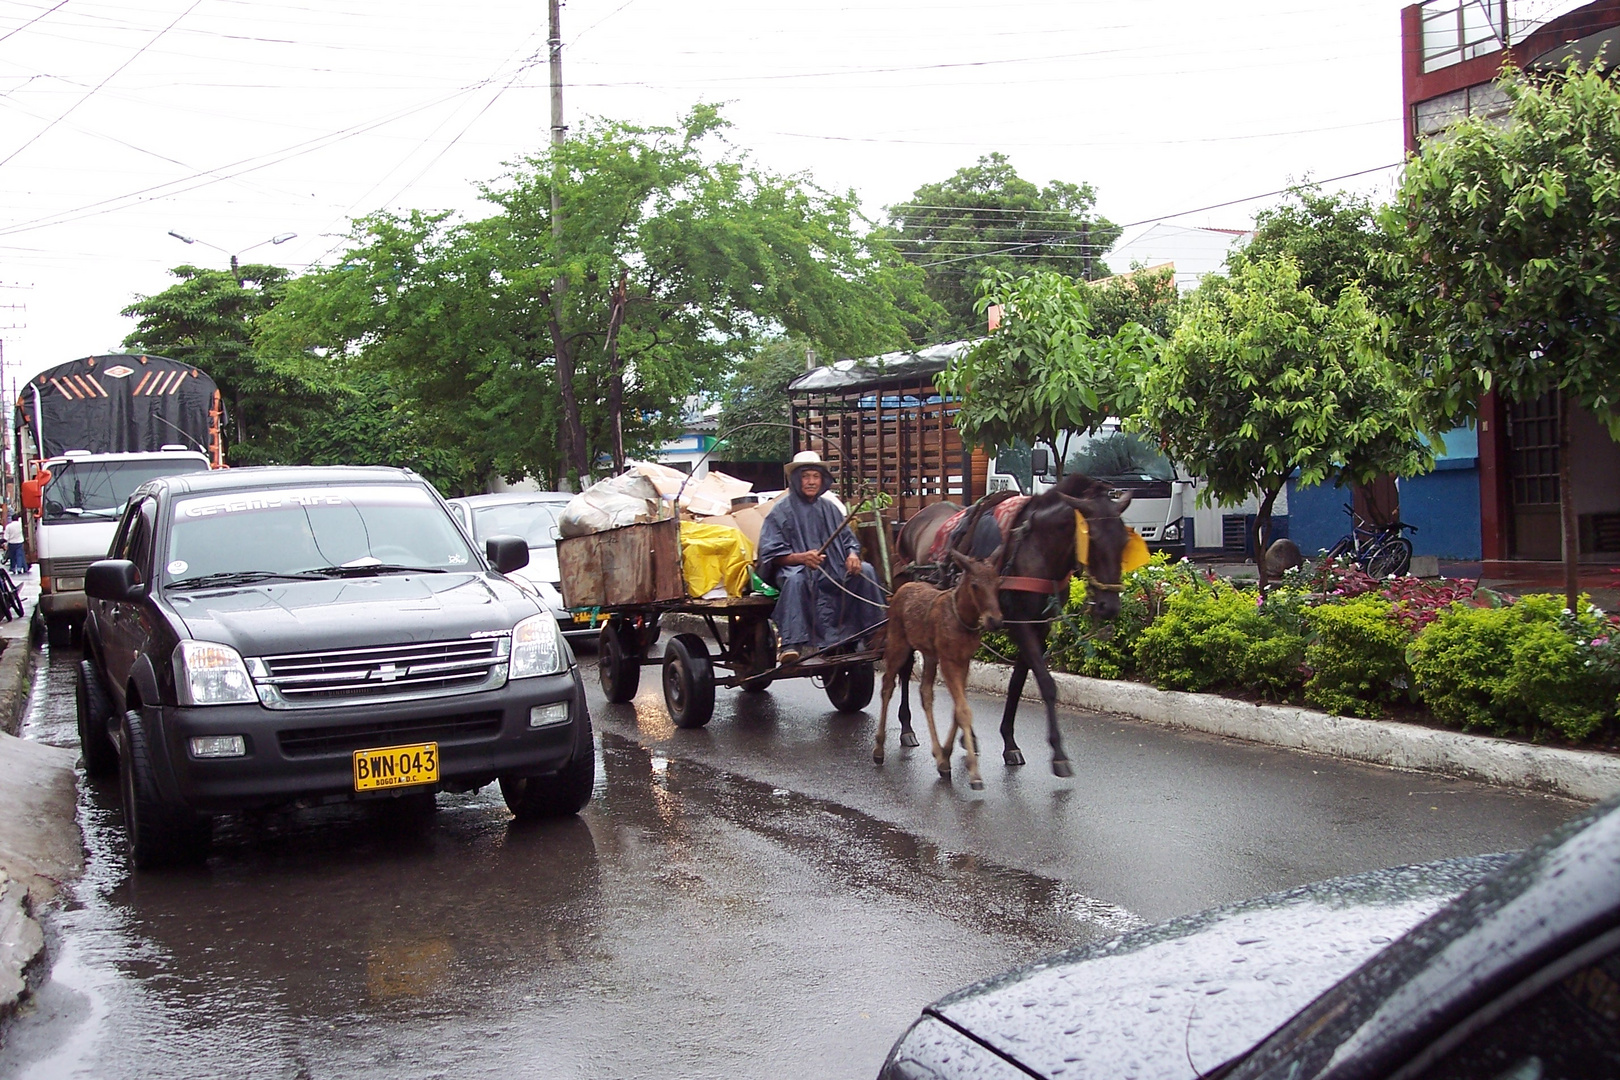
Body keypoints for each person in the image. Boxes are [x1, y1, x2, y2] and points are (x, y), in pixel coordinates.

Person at [755, 451, 885, 663]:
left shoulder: (830, 508)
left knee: (867, 571)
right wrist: (800, 558)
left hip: (832, 569)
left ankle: (875, 634)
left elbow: (848, 539)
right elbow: (771, 554)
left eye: (816, 477)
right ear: (796, 479)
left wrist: (853, 554)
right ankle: (791, 644)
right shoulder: (780, 511)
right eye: (806, 476)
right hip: (794, 570)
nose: (811, 482)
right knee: (796, 580)